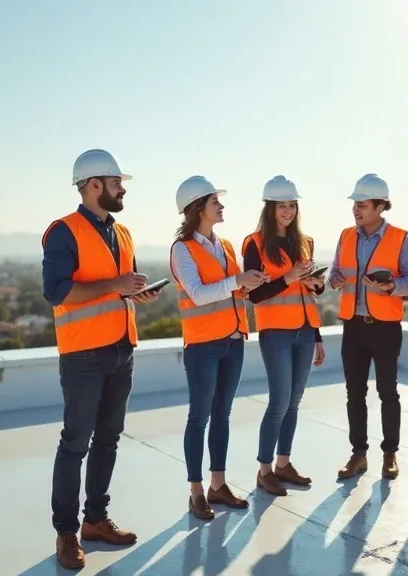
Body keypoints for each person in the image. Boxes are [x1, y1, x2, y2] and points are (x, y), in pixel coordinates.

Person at [41, 149, 160, 569]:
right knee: (75, 444)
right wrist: (116, 285)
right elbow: (56, 290)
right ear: (94, 185)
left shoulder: (122, 232)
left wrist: (136, 291)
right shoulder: (63, 232)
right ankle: (66, 534)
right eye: (115, 182)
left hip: (121, 350)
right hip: (83, 355)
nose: (121, 187)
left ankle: (95, 520)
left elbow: (121, 287)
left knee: (108, 440)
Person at [169, 175, 269, 520]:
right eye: (216, 202)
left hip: (232, 340)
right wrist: (236, 281)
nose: (222, 206)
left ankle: (218, 485)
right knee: (199, 417)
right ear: (198, 209)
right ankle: (196, 491)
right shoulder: (182, 249)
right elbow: (197, 293)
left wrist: (251, 282)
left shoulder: (224, 245)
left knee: (222, 416)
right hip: (203, 345)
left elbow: (232, 289)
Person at [327, 174, 408, 481]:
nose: (356, 210)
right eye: (355, 204)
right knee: (354, 393)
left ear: (381, 206)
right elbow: (336, 273)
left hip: (384, 328)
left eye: (363, 205)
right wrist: (335, 279)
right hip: (353, 327)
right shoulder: (345, 236)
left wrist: (392, 285)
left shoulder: (402, 238)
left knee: (387, 393)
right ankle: (359, 455)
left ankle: (390, 454)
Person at [241, 175, 326, 497]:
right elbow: (253, 295)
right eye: (282, 206)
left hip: (305, 330)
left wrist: (315, 287)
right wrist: (289, 277)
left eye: (292, 205)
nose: (288, 211)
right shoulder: (255, 243)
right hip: (275, 331)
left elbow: (308, 292)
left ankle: (284, 464)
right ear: (270, 208)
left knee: (294, 401)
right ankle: (264, 470)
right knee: (279, 401)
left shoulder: (305, 242)